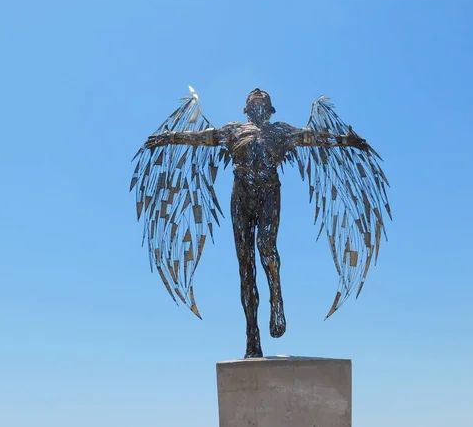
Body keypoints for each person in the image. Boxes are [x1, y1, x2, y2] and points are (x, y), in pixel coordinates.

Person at [144, 88, 370, 358]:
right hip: (241, 195)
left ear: (270, 109)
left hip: (268, 192)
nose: (257, 102)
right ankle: (252, 337)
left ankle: (277, 297)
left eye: (262, 101)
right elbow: (202, 137)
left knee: (266, 246)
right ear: (247, 110)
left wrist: (346, 140)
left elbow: (314, 139)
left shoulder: (281, 132)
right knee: (245, 266)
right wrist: (169, 137)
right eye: (253, 102)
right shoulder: (233, 131)